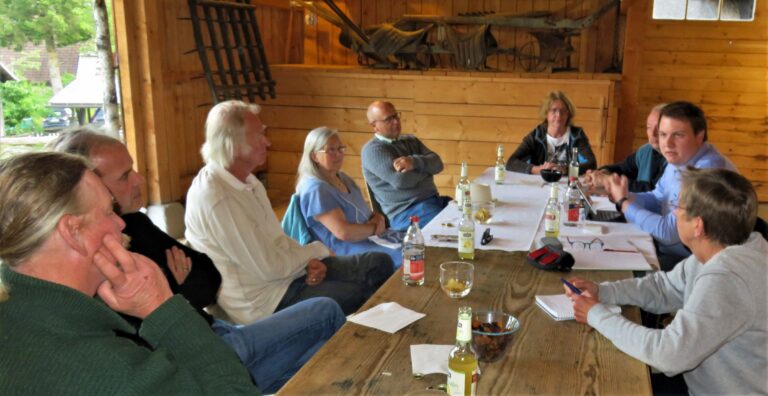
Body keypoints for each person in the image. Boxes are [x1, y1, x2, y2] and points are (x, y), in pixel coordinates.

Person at [49, 128, 346, 393]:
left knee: (317, 361)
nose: (140, 179)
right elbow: (139, 336)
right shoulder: (85, 268)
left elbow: (207, 277)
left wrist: (167, 291)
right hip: (204, 346)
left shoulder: (136, 225)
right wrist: (169, 290)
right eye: (126, 175)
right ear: (89, 190)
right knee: (327, 318)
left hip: (214, 329)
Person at [0, 152, 257, 394]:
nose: (120, 223)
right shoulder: (110, 372)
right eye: (109, 211)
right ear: (73, 232)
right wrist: (162, 306)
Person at [185, 100, 394, 324]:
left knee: (378, 263)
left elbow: (278, 240)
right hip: (265, 302)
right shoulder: (217, 198)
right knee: (357, 295)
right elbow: (268, 267)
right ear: (233, 144)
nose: (268, 142)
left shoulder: (248, 180)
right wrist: (315, 252)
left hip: (287, 276)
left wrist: (308, 261)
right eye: (259, 136)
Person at [566, 168, 767, 395]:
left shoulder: (728, 278)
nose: (674, 213)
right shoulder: (726, 246)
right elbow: (664, 288)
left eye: (678, 207)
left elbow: (668, 355)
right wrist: (603, 292)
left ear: (697, 226)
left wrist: (596, 315)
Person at [605, 101, 736, 270]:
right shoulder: (680, 159)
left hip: (693, 263)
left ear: (699, 135)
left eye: (678, 135)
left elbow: (669, 233)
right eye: (663, 134)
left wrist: (624, 204)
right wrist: (626, 195)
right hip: (670, 250)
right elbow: (658, 198)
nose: (667, 143)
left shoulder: (705, 173)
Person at [296, 126, 402, 267]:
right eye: (331, 150)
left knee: (418, 245)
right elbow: (344, 233)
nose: (338, 154)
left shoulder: (342, 177)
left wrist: (378, 218)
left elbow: (365, 213)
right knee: (407, 258)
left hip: (371, 237)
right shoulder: (316, 189)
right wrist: (376, 227)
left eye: (340, 149)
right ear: (314, 156)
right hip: (347, 249)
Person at [361, 100, 448, 231]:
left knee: (470, 215)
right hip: (406, 213)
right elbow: (402, 181)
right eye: (388, 119)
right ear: (374, 126)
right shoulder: (373, 150)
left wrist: (414, 162)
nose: (396, 122)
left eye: (396, 116)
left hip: (433, 201)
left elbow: (438, 164)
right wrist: (427, 170)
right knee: (455, 229)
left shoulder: (411, 140)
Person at [506, 90, 597, 175]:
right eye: (554, 110)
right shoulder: (536, 136)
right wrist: (538, 169)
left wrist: (565, 170)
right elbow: (511, 162)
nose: (559, 115)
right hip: (540, 185)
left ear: (568, 114)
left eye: (563, 111)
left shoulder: (577, 135)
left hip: (567, 184)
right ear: (546, 114)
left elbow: (592, 164)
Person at [583, 104, 667, 193]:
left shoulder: (675, 160)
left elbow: (653, 191)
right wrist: (602, 173)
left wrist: (607, 180)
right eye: (649, 127)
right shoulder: (646, 150)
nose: (652, 134)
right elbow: (623, 168)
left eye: (658, 128)